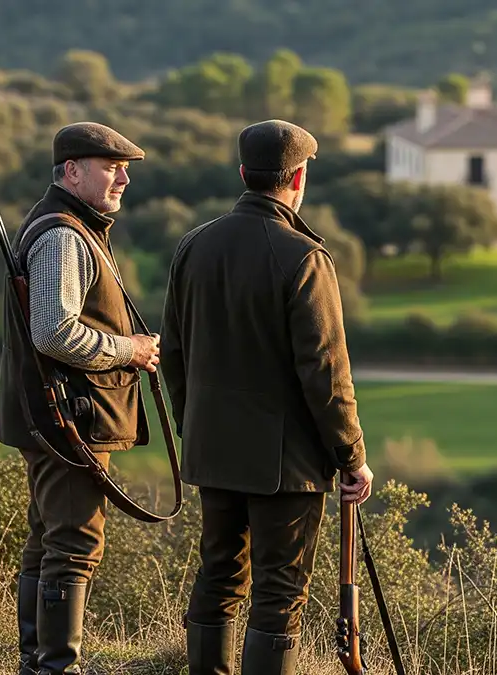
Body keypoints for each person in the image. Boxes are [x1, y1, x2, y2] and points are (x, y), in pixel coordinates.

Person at [160, 119, 374, 674]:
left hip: (212, 450)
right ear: (298, 177)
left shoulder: (193, 246)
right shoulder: (305, 257)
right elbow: (326, 372)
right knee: (279, 591)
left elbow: (174, 354)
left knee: (218, 576)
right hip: (286, 466)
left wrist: (195, 427)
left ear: (242, 174)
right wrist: (351, 455)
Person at [0, 122, 162, 674]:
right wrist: (130, 350)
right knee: (73, 545)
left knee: (49, 539)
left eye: (125, 169)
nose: (124, 179)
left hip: (61, 415)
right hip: (69, 419)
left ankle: (36, 664)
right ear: (72, 171)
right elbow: (53, 333)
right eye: (112, 167)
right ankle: (54, 667)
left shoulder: (69, 226)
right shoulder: (64, 236)